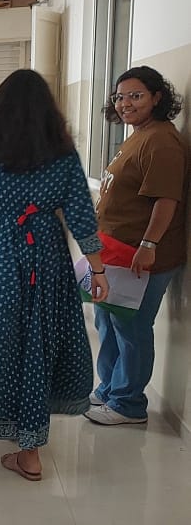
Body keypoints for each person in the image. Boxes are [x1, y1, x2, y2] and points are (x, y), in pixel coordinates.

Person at [0, 69, 109, 480]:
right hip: (46, 257)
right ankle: (30, 448)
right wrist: (97, 269)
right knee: (38, 342)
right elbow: (83, 217)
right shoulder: (64, 157)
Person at [86, 67, 189, 426]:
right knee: (108, 321)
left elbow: (166, 200)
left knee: (131, 328)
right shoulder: (137, 135)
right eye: (120, 96)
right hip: (114, 251)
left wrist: (148, 244)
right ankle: (110, 389)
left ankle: (128, 403)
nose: (125, 103)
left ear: (157, 97)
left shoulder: (161, 140)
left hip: (139, 255)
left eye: (135, 95)